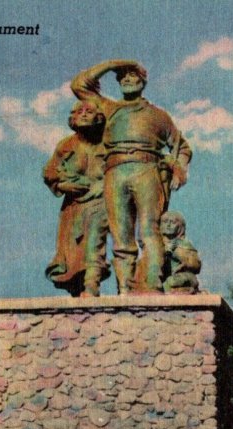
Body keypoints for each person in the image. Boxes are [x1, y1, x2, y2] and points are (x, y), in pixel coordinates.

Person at [71, 59, 192, 293]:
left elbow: (183, 147)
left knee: (149, 230)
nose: (126, 79)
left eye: (132, 75)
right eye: (122, 76)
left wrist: (179, 167)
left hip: (146, 169)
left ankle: (152, 284)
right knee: (121, 236)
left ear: (142, 81)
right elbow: (79, 85)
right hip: (115, 170)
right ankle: (125, 291)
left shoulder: (159, 116)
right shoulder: (110, 108)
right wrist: (118, 62)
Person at [43, 101, 109, 297]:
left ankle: (92, 285)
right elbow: (50, 172)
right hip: (73, 207)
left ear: (99, 118)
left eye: (89, 111)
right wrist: (63, 185)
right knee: (71, 256)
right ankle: (78, 294)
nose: (83, 115)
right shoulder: (66, 145)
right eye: (79, 112)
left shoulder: (107, 143)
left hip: (100, 200)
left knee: (94, 242)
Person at [160, 211, 201, 294]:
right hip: (162, 277)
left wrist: (176, 252)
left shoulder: (184, 243)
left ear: (180, 227)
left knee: (173, 281)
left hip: (180, 275)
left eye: (173, 222)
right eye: (165, 222)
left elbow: (196, 265)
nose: (168, 225)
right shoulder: (157, 243)